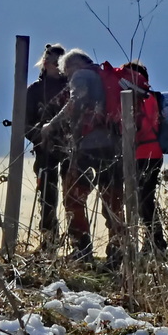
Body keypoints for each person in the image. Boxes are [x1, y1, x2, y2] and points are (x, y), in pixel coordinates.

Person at [40, 49, 124, 264]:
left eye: (66, 73)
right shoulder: (104, 76)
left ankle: (81, 249)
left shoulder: (81, 76)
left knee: (73, 198)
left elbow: (75, 101)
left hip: (88, 146)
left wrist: (52, 124)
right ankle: (118, 251)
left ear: (72, 66)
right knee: (112, 200)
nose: (66, 78)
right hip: (113, 146)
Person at [118, 61, 167, 256]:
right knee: (144, 199)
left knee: (144, 199)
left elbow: (141, 127)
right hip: (151, 153)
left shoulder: (146, 99)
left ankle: (156, 242)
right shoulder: (150, 97)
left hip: (146, 154)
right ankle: (153, 242)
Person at [25, 44, 68, 247]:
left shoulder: (71, 88)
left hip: (70, 148)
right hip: (44, 149)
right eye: (51, 62)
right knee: (47, 195)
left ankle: (77, 242)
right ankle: (49, 239)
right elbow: (24, 122)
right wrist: (38, 137)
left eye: (59, 62)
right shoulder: (34, 90)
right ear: (44, 63)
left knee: (72, 194)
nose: (55, 66)